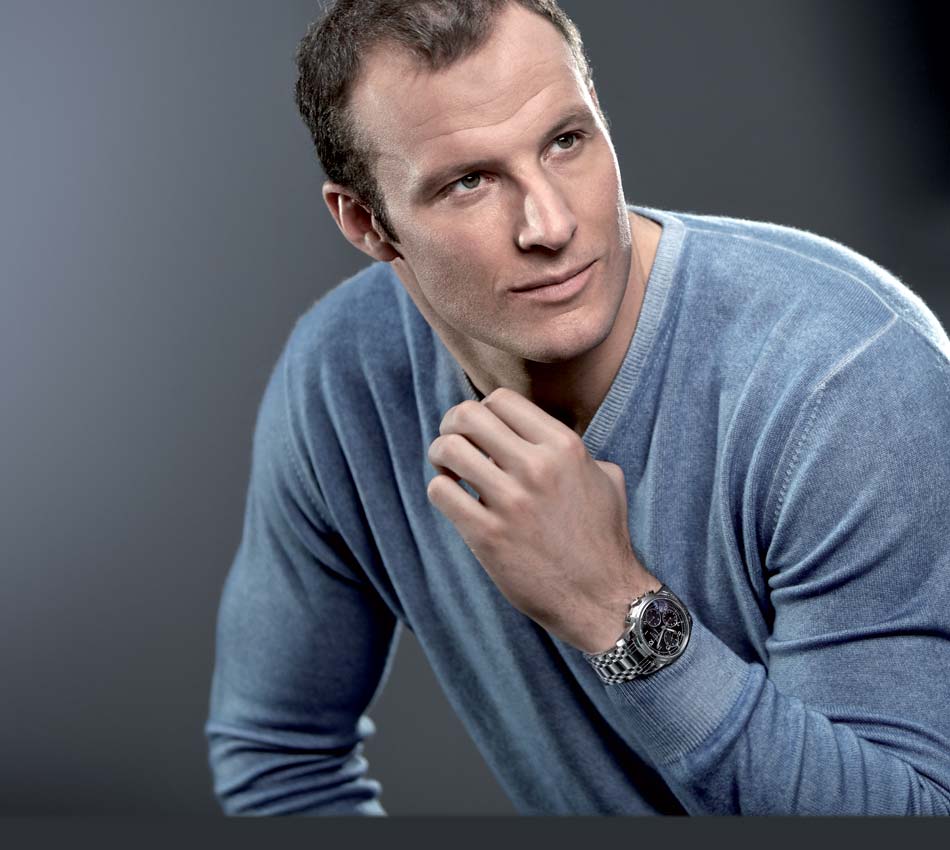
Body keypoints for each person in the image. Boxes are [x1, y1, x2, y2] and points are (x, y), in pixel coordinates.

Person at [203, 0, 950, 815]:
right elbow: (280, 762)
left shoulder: (843, 379)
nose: (550, 224)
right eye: (468, 182)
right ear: (366, 222)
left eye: (565, 141)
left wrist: (613, 607)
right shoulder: (342, 379)